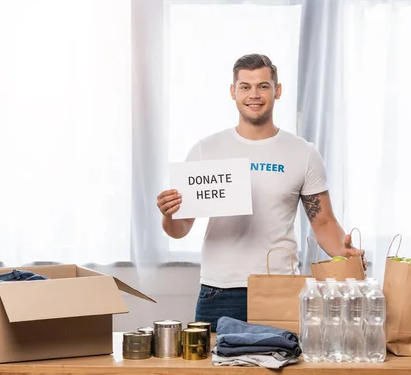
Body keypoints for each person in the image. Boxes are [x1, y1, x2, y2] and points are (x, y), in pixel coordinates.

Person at [156, 53, 365, 331]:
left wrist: (343, 250)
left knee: (284, 368)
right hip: (219, 290)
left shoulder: (303, 153)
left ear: (277, 91)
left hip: (279, 286)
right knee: (214, 373)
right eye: (245, 86)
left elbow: (324, 222)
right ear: (233, 92)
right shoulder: (206, 150)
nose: (254, 94)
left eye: (263, 86)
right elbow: (180, 228)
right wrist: (169, 215)